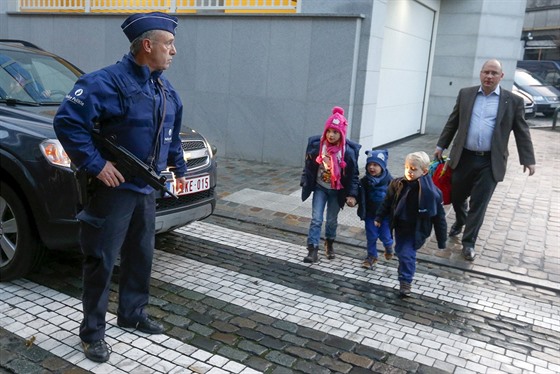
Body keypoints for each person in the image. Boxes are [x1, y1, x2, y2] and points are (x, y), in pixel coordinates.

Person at [53, 12, 188, 363]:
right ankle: (93, 332)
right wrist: (96, 165)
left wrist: (179, 165)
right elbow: (67, 121)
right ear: (147, 45)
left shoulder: (162, 86)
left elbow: (169, 128)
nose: (174, 51)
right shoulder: (104, 82)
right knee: (101, 259)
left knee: (141, 256)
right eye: (168, 44)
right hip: (113, 193)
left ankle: (132, 313)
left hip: (145, 190)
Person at [434, 59, 536, 261]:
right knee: (457, 196)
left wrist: (528, 158)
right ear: (480, 74)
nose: (489, 76)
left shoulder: (513, 101)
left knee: (479, 204)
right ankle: (461, 221)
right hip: (463, 157)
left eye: (494, 73)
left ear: (501, 77)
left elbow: (522, 130)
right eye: (486, 72)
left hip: (490, 162)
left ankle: (469, 243)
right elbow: (453, 121)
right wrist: (441, 145)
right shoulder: (466, 94)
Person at [375, 151, 447, 296]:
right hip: (400, 226)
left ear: (424, 171)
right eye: (407, 167)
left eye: (414, 169)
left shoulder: (432, 193)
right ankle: (404, 276)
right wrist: (379, 217)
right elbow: (387, 202)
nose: (409, 172)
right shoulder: (397, 183)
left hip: (417, 229)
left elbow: (439, 218)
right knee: (402, 252)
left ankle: (405, 281)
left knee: (407, 254)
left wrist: (441, 240)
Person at [300, 106, 361, 263]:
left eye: (335, 132)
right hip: (321, 188)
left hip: (336, 190)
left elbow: (354, 175)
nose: (331, 135)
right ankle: (312, 249)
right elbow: (308, 166)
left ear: (341, 133)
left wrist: (352, 195)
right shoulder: (318, 145)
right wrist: (305, 179)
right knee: (316, 219)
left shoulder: (347, 152)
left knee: (332, 220)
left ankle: (329, 242)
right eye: (329, 131)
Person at [357, 149, 394, 268]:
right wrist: (353, 198)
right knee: (371, 236)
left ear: (382, 166)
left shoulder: (390, 181)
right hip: (370, 214)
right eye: (369, 165)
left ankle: (388, 247)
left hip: (385, 216)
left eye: (375, 165)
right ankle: (371, 256)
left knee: (385, 236)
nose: (371, 167)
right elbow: (359, 193)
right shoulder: (365, 181)